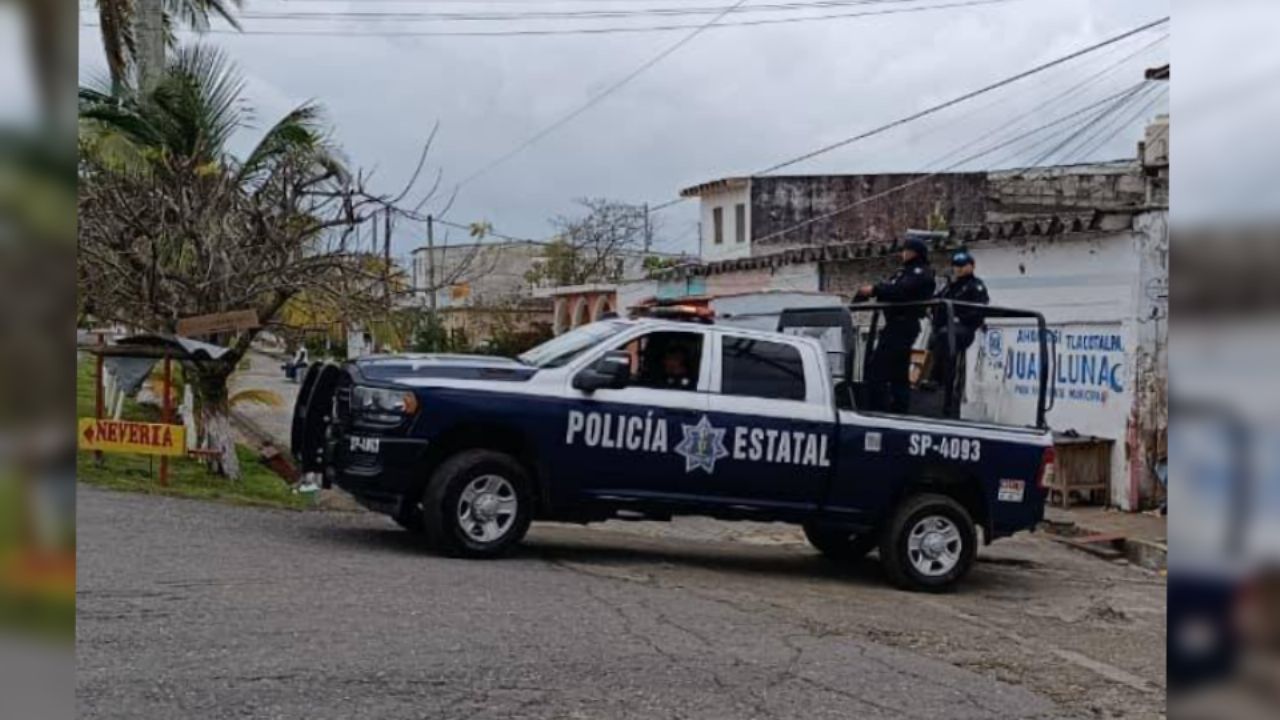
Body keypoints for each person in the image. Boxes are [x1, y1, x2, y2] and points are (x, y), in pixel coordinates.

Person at [856, 236, 936, 413]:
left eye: (906, 250)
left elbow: (901, 291)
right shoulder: (904, 272)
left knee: (877, 369)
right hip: (895, 325)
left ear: (913, 252)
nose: (903, 253)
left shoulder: (921, 273)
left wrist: (875, 290)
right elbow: (890, 287)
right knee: (898, 373)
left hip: (903, 326)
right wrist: (871, 292)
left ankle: (876, 409)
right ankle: (898, 410)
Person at [928, 250, 990, 411]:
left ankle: (940, 384)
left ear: (972, 266)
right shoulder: (951, 287)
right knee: (937, 340)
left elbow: (979, 310)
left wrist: (960, 319)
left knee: (946, 341)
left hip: (963, 329)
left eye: (963, 266)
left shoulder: (976, 286)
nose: (959, 269)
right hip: (945, 329)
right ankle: (936, 380)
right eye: (956, 266)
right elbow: (938, 300)